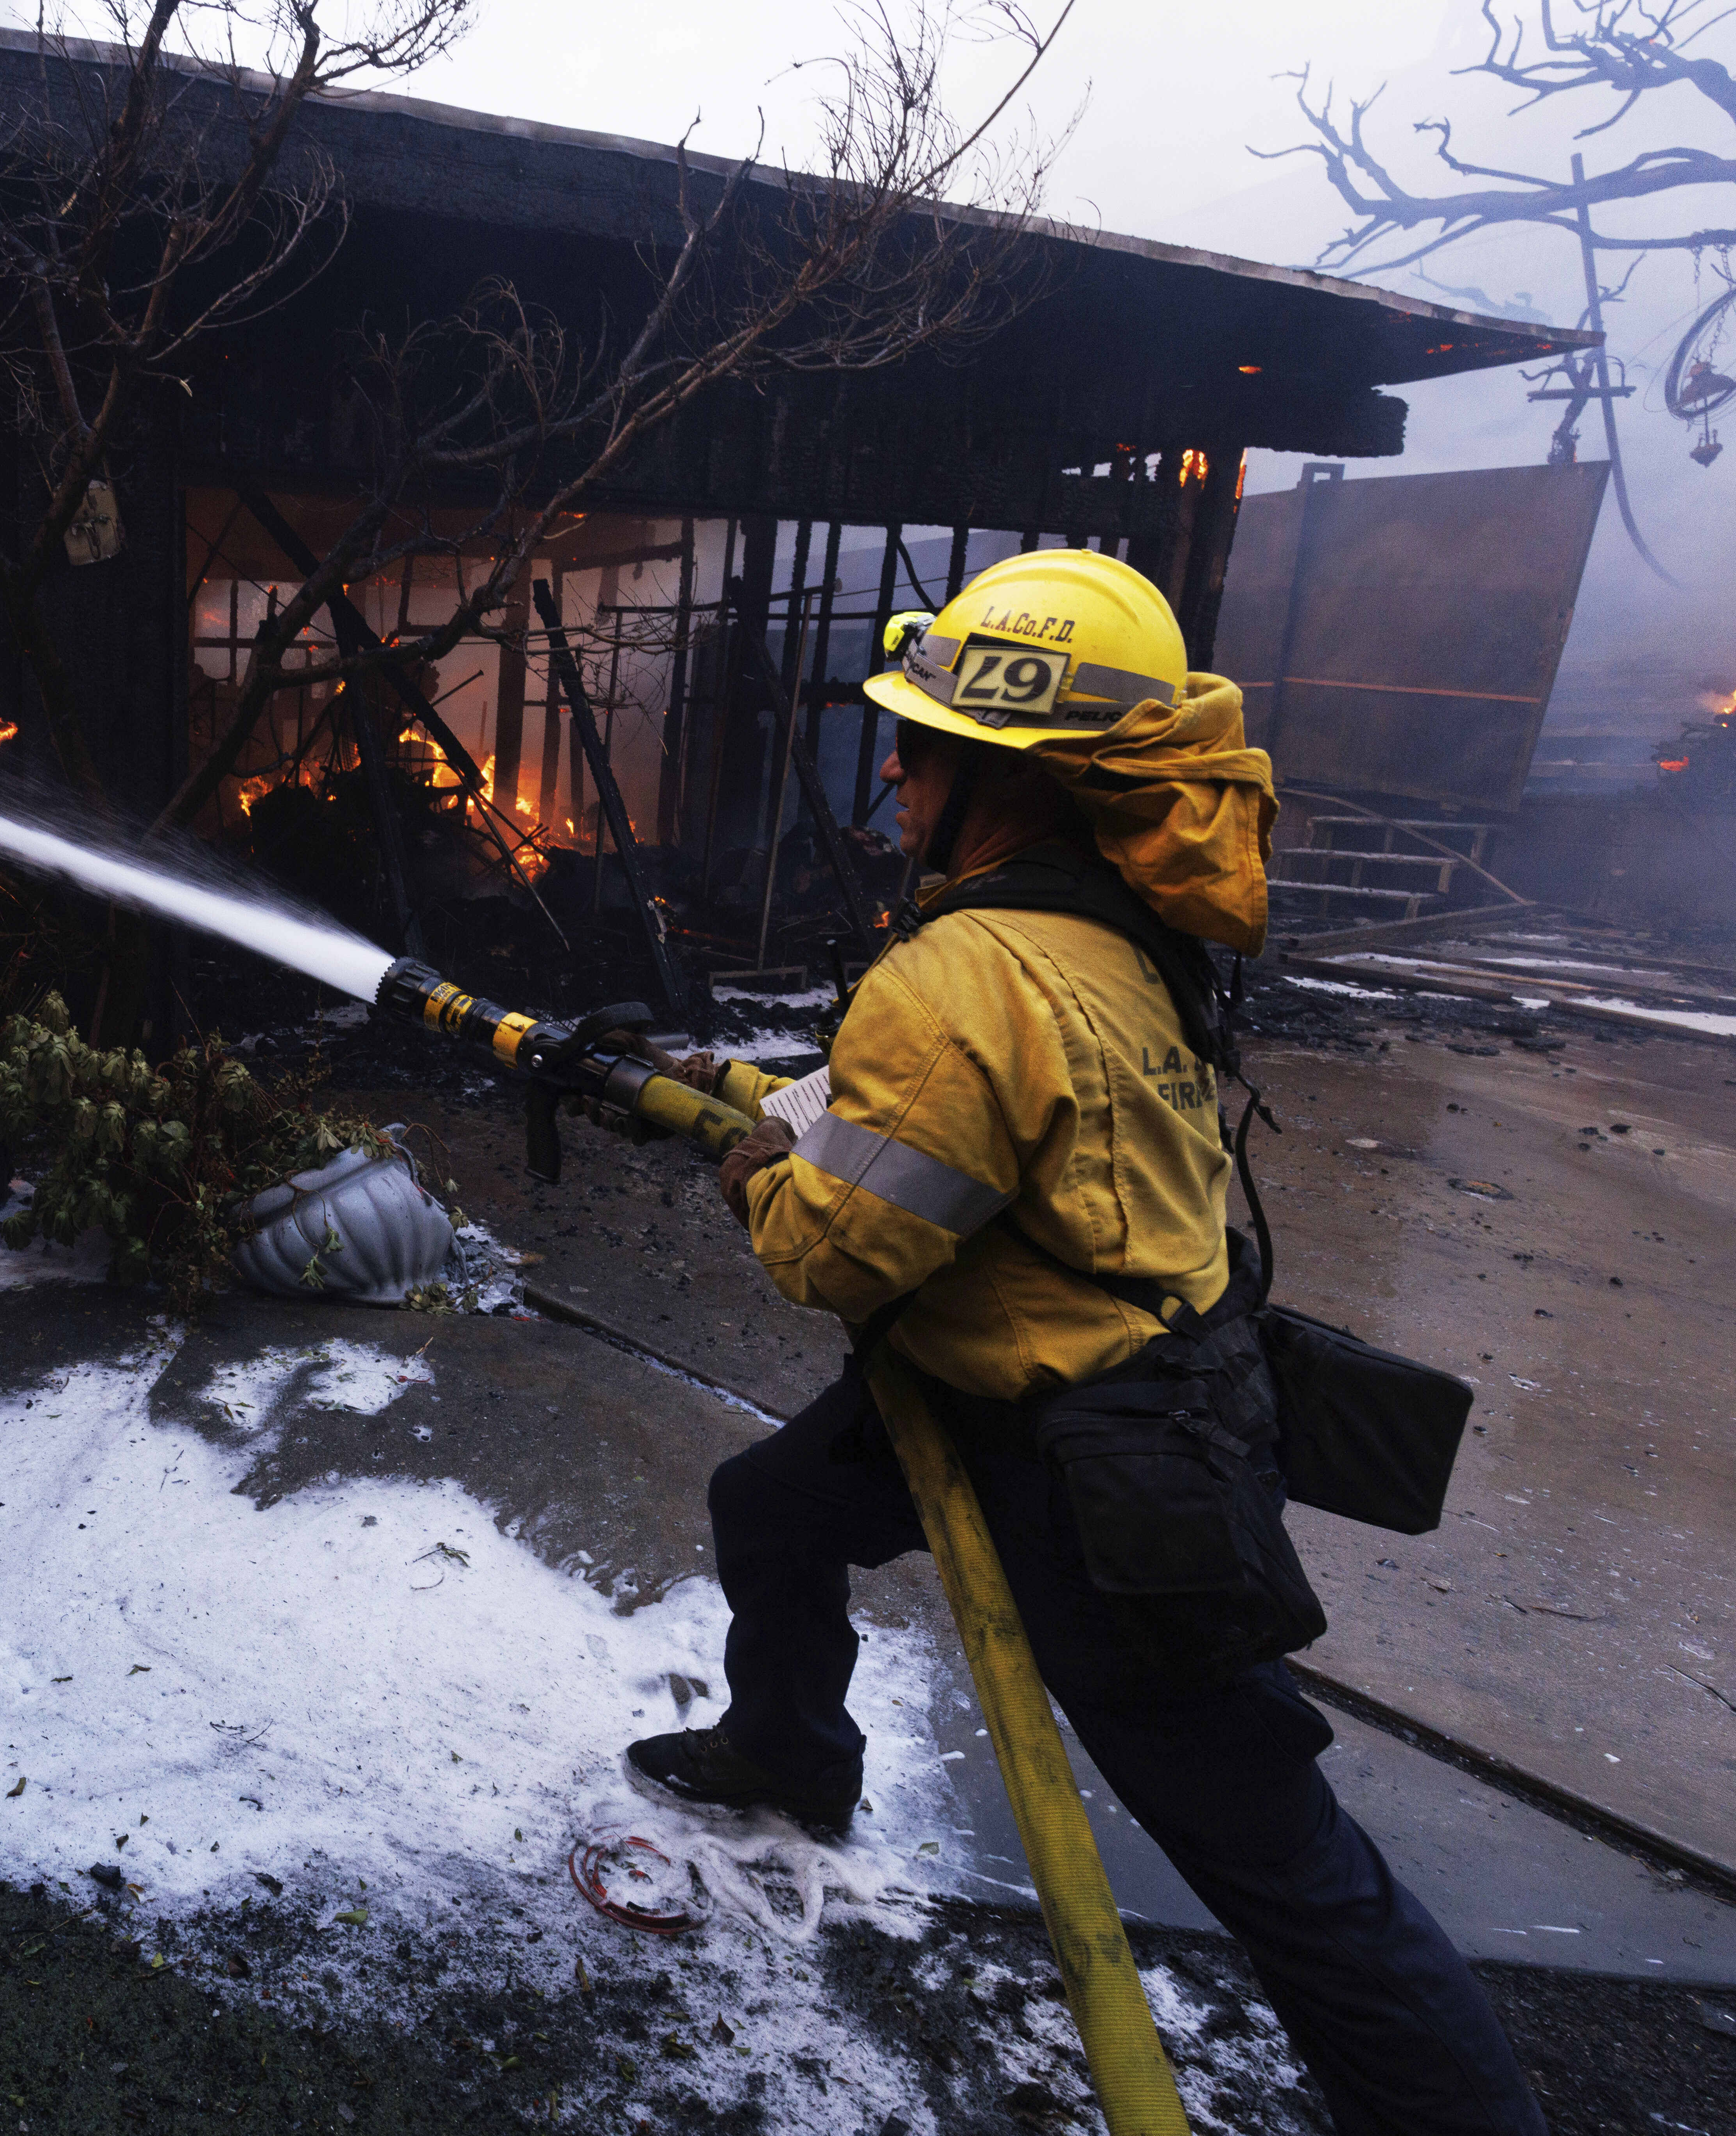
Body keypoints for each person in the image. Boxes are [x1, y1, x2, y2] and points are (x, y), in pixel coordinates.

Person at [621, 549, 1544, 2134]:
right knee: (768, 1506)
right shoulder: (1100, 932)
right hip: (1050, 1379)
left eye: (914, 748)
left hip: (1098, 1474)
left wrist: (760, 1170)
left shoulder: (964, 972)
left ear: (1000, 777)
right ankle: (786, 1750)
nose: (890, 777)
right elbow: (974, 1137)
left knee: (1273, 1855)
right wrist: (799, 1099)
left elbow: (842, 1252)